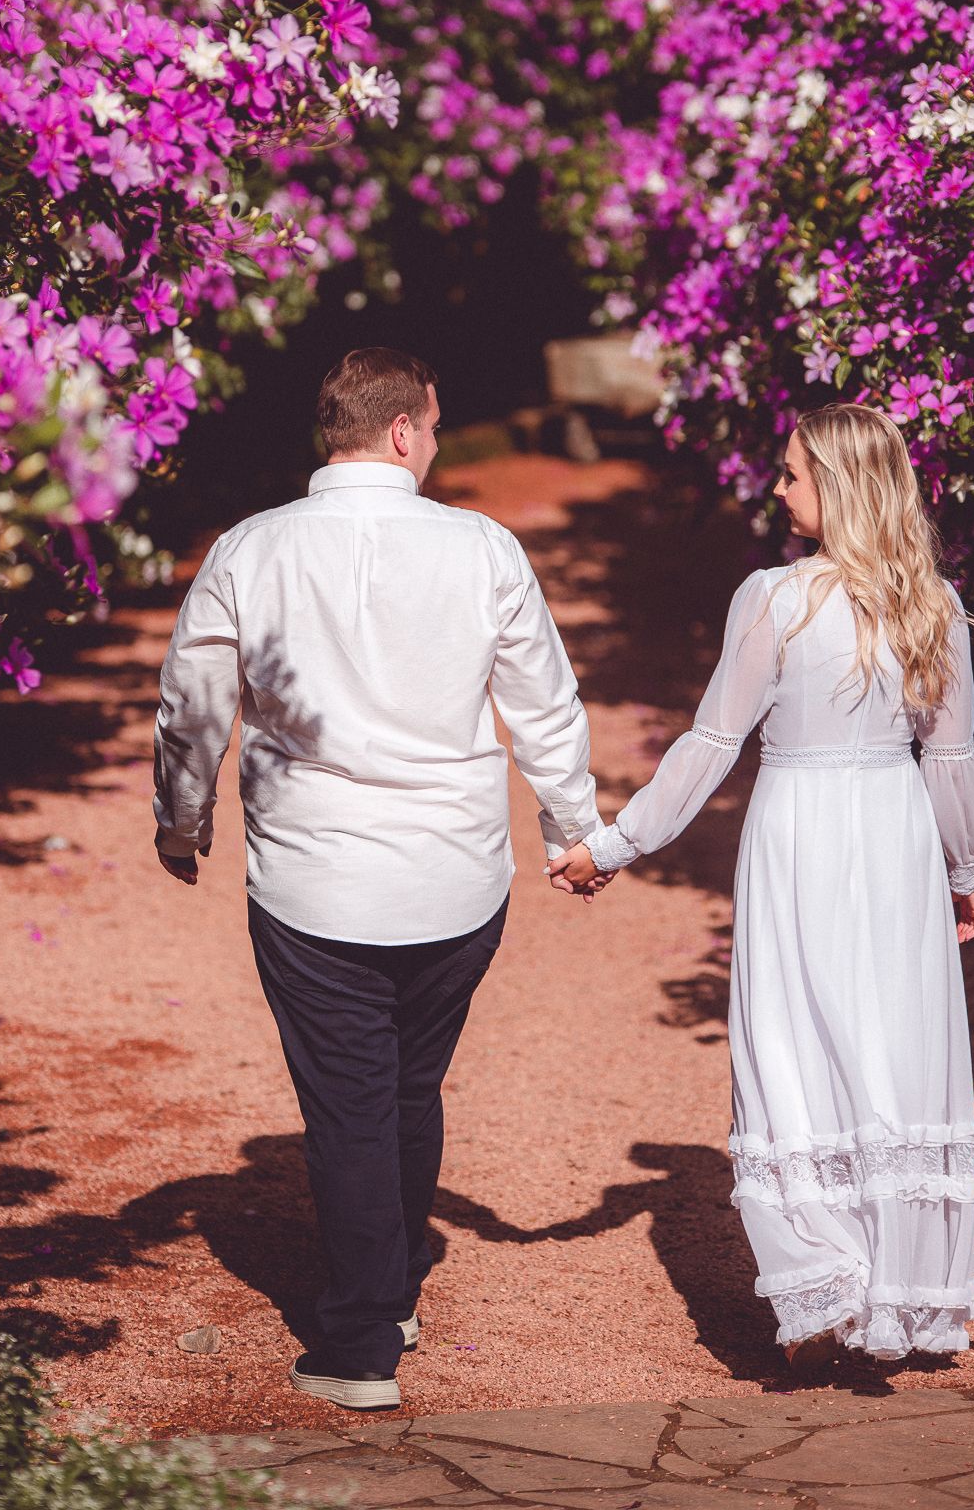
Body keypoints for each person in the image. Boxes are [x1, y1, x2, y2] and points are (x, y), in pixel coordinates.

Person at [152, 347, 600, 1409]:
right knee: (407, 1086)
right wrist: (572, 830)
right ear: (401, 432)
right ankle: (390, 1295)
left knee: (351, 1102)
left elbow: (192, 703)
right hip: (455, 879)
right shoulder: (482, 548)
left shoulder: (250, 549)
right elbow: (543, 704)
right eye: (433, 428)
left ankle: (360, 1343)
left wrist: (181, 820)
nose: (434, 445)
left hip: (314, 883)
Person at [551, 402, 974, 1370]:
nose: (777, 486)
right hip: (893, 839)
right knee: (891, 1043)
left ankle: (828, 1278)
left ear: (836, 488)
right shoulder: (930, 603)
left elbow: (712, 739)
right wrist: (962, 868)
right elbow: (949, 759)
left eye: (792, 473)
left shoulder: (773, 599)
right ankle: (897, 1288)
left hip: (798, 837)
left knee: (791, 1044)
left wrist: (617, 843)